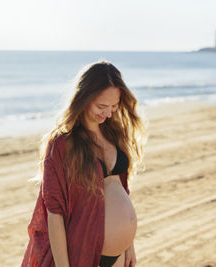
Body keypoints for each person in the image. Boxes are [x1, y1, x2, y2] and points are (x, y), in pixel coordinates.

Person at [21, 61, 147, 267]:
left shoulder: (113, 133)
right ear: (84, 98)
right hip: (83, 253)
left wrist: (128, 244)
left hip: (119, 256)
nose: (108, 113)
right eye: (101, 106)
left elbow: (121, 190)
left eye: (114, 106)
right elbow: (55, 213)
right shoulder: (62, 144)